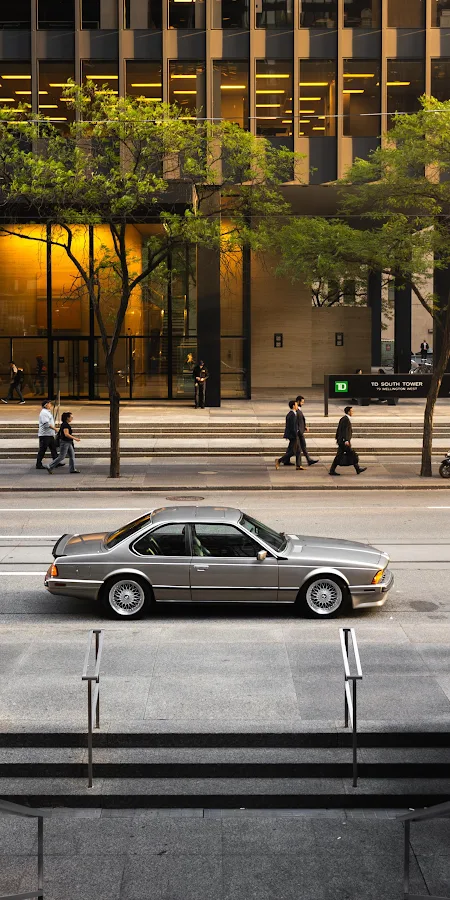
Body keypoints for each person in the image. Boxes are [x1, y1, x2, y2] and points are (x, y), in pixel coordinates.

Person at [329, 406, 367, 476]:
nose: (353, 412)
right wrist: (346, 440)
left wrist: (338, 438)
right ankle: (357, 469)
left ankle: (332, 470)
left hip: (342, 441)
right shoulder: (346, 419)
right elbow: (344, 431)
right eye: (351, 411)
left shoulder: (344, 419)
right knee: (351, 454)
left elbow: (339, 430)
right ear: (348, 412)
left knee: (341, 455)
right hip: (344, 442)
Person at [275, 400, 303, 470]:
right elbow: (292, 426)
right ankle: (279, 460)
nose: (297, 406)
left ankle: (298, 465)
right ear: (293, 406)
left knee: (299, 450)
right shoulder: (292, 415)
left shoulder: (292, 414)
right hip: (293, 435)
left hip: (293, 434)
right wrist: (296, 434)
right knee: (293, 451)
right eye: (296, 405)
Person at [295, 395, 319, 467]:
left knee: (302, 446)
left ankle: (308, 460)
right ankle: (282, 460)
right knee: (295, 449)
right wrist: (299, 429)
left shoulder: (299, 409)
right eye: (302, 402)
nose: (303, 403)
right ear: (298, 401)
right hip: (298, 432)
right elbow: (296, 421)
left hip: (300, 430)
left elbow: (300, 420)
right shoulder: (296, 410)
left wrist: (304, 426)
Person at [36, 399, 60, 469]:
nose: (51, 405)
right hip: (45, 435)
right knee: (42, 449)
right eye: (49, 404)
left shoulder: (47, 412)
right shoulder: (44, 413)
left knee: (53, 449)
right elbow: (46, 424)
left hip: (49, 434)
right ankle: (38, 464)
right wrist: (55, 429)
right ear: (46, 405)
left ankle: (56, 462)